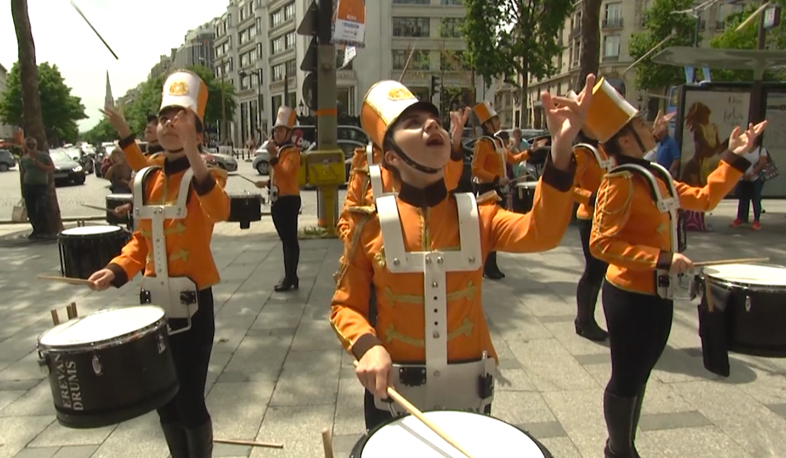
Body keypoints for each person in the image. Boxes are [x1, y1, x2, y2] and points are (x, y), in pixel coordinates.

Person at [330, 76, 594, 431]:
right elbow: (345, 306)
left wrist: (561, 150)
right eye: (412, 123)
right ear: (391, 156)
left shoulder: (478, 217)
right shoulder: (371, 226)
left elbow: (541, 233)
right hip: (392, 395)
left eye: (434, 121)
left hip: (470, 393)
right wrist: (368, 347)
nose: (430, 125)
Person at [586, 77, 766, 458]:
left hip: (659, 293)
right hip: (629, 297)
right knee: (626, 375)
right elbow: (601, 243)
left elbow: (704, 198)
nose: (649, 125)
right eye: (639, 123)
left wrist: (735, 156)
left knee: (643, 371)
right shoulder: (619, 183)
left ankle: (624, 444)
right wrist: (663, 258)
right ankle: (618, 450)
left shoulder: (658, 176)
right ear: (624, 139)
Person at [87, 70, 230, 458]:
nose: (169, 122)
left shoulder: (209, 175)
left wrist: (195, 156)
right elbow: (141, 241)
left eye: (181, 117)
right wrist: (116, 270)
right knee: (163, 396)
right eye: (165, 116)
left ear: (199, 134)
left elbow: (218, 210)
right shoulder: (148, 180)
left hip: (194, 303)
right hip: (153, 304)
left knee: (189, 396)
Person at [336, 106, 471, 243]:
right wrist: (367, 247)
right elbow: (346, 222)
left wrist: (454, 147)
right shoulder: (365, 170)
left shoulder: (423, 163)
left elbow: (450, 182)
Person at [470, 101, 531, 279]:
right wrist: (497, 178)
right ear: (487, 124)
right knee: (488, 230)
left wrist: (530, 153)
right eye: (495, 119)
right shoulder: (483, 143)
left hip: (499, 189)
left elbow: (511, 159)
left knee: (495, 230)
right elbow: (476, 168)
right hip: (488, 190)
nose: (499, 121)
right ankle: (485, 266)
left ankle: (491, 266)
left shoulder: (497, 141)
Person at [254, 106, 302, 292]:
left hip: (288, 200)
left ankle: (291, 276)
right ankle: (290, 275)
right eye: (276, 130)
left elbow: (287, 174)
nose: (277, 133)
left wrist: (273, 157)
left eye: (281, 130)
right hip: (278, 199)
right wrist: (266, 182)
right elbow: (278, 176)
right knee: (286, 241)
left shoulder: (291, 152)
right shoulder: (282, 152)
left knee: (290, 241)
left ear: (289, 133)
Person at [19, 137, 55, 239]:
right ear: (25, 146)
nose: (31, 147)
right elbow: (22, 174)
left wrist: (40, 165)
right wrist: (22, 189)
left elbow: (52, 168)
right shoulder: (24, 159)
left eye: (33, 145)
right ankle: (36, 230)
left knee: (42, 207)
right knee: (31, 210)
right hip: (28, 186)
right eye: (28, 145)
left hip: (41, 186)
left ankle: (45, 229)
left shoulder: (43, 156)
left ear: (36, 145)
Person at [731, 136, 769, 231]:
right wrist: (743, 174)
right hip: (743, 177)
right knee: (742, 198)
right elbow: (737, 161)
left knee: (755, 198)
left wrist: (752, 174)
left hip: (755, 178)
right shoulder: (743, 149)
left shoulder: (761, 150)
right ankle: (740, 218)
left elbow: (762, 164)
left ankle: (756, 221)